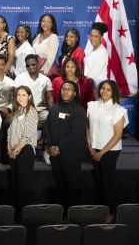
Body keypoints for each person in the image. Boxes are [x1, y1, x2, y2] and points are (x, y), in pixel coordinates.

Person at [86, 80, 128, 223]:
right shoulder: (92, 105)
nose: (104, 91)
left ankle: (111, 213)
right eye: (103, 88)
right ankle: (100, 209)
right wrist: (91, 149)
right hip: (93, 150)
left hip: (109, 152)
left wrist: (101, 153)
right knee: (98, 181)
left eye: (108, 89)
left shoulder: (118, 110)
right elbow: (88, 128)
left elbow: (117, 136)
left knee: (107, 183)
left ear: (113, 92)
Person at [44, 80, 87, 212]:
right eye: (63, 89)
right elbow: (47, 128)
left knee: (71, 185)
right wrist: (51, 146)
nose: (65, 91)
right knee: (60, 184)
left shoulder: (78, 111)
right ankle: (61, 214)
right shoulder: (55, 108)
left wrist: (58, 148)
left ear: (74, 93)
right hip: (55, 155)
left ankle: (72, 214)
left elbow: (76, 134)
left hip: (71, 156)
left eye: (68, 89)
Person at [14, 54, 54, 164]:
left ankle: (47, 151)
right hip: (25, 109)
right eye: (28, 65)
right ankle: (26, 150)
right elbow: (15, 97)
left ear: (38, 64)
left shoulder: (46, 80)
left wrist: (53, 113)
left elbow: (49, 97)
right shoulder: (20, 78)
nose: (31, 66)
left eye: (33, 64)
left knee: (52, 120)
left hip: (41, 110)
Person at [8, 86, 38, 216]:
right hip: (13, 150)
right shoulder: (17, 110)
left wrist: (16, 151)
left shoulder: (31, 112)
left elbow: (27, 135)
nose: (20, 97)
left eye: (23, 95)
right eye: (18, 95)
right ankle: (16, 214)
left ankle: (24, 216)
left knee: (23, 185)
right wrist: (9, 148)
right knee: (15, 184)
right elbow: (10, 131)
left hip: (25, 150)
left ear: (29, 96)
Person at [33, 13, 60, 78]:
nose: (45, 24)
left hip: (48, 71)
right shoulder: (38, 35)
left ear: (52, 24)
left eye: (49, 22)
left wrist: (42, 71)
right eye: (43, 21)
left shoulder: (53, 37)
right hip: (35, 69)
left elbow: (51, 58)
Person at [84, 22, 109, 88]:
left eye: (96, 36)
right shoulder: (92, 50)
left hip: (97, 85)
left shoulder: (102, 52)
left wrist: (84, 83)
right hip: (89, 83)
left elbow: (94, 73)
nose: (92, 38)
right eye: (91, 36)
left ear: (101, 38)